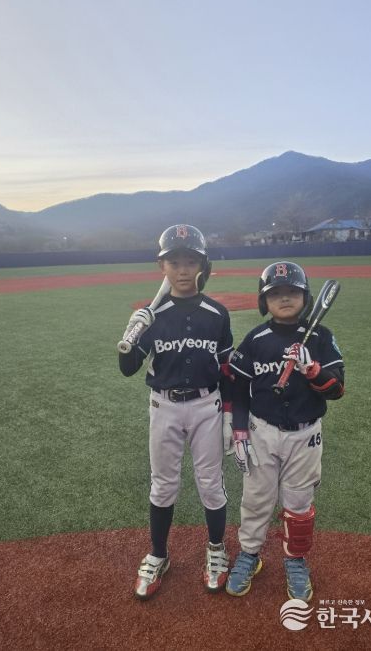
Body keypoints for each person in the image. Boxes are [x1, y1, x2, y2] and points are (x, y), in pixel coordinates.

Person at [119, 224, 233, 600]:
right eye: (174, 262)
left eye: (190, 262)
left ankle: (216, 550)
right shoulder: (152, 315)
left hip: (206, 405)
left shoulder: (217, 314)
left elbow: (226, 369)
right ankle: (158, 554)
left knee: (210, 483)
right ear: (162, 266)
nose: (183, 270)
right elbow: (128, 368)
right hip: (164, 405)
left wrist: (230, 416)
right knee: (163, 484)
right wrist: (132, 334)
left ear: (202, 265)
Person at [225, 261, 344, 601]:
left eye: (292, 291)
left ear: (306, 297)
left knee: (299, 502)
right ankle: (250, 554)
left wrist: (313, 370)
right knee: (256, 498)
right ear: (264, 301)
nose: (285, 298)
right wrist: (239, 430)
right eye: (275, 293)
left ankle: (296, 559)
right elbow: (238, 388)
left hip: (305, 436)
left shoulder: (321, 337)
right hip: (261, 431)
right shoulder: (256, 339)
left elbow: (337, 389)